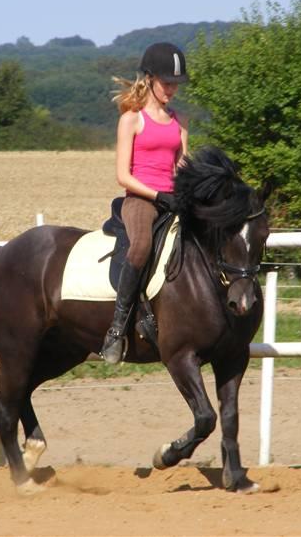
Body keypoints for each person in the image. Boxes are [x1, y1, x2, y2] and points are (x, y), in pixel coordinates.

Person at [100, 42, 189, 364]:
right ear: (149, 79)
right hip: (141, 199)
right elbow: (123, 175)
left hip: (174, 199)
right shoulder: (131, 120)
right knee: (140, 247)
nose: (172, 89)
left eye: (176, 83)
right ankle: (117, 328)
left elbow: (182, 165)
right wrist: (158, 196)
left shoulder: (179, 121)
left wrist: (188, 194)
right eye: (167, 82)